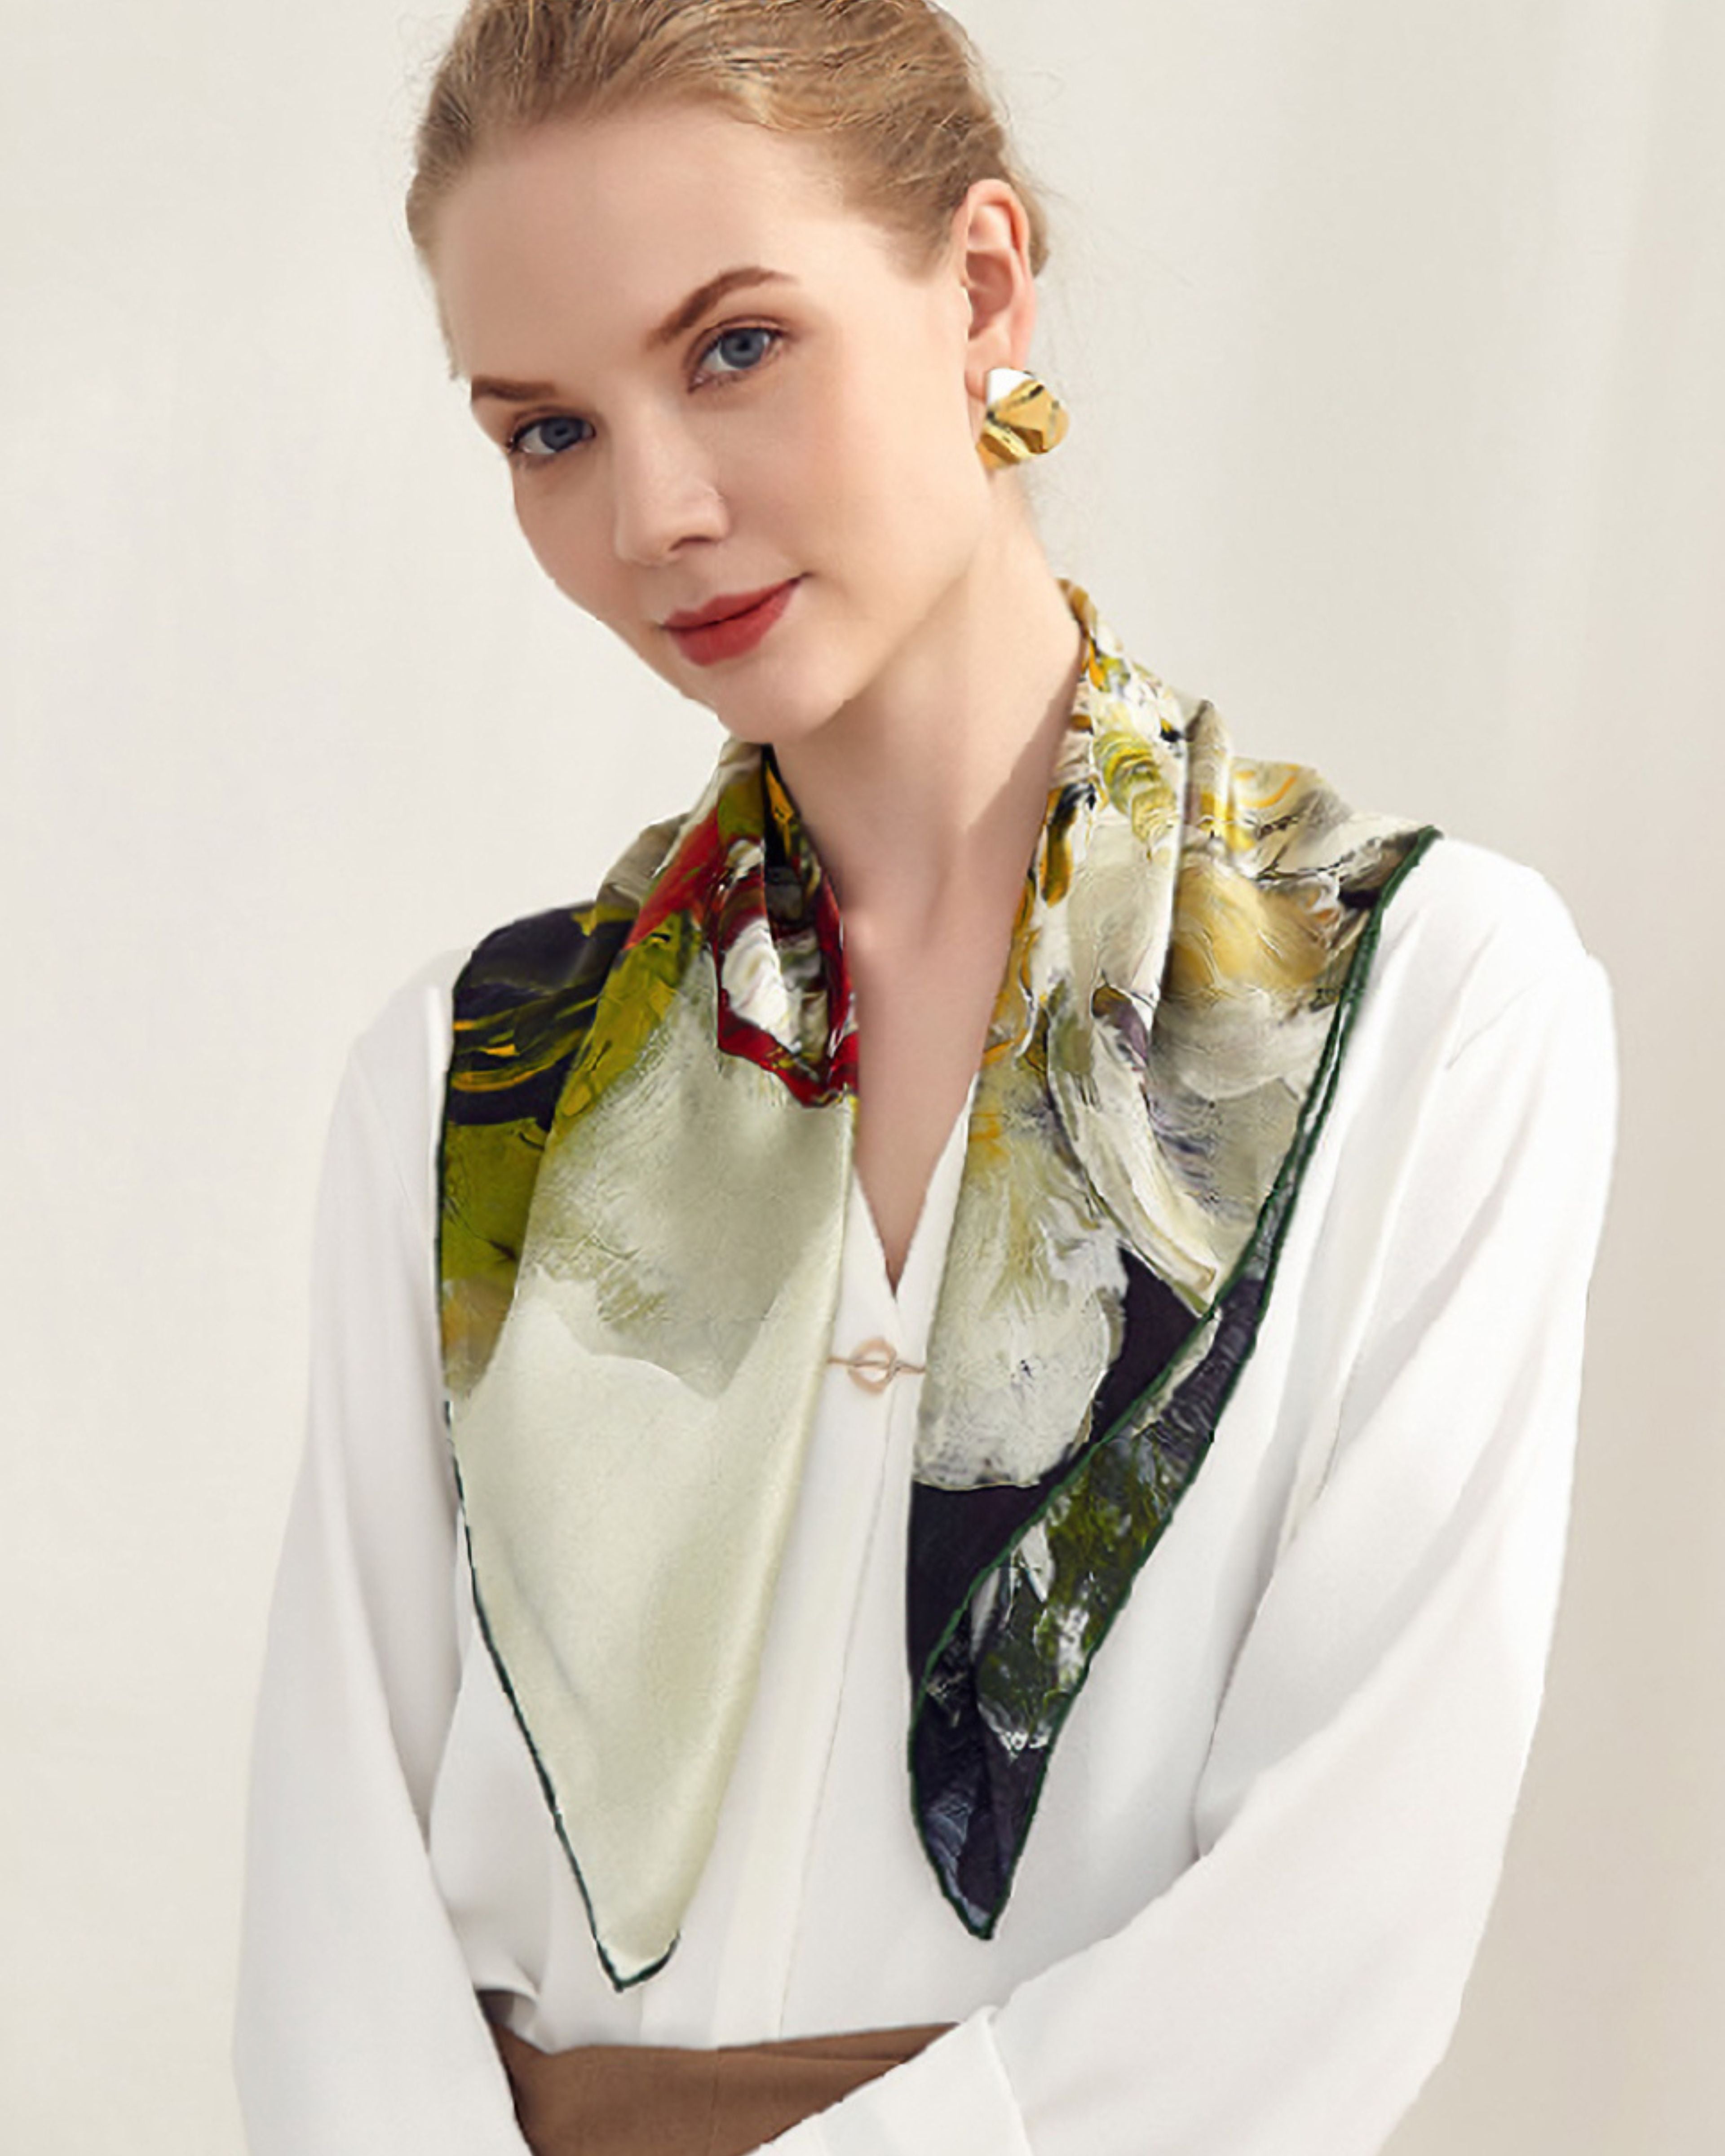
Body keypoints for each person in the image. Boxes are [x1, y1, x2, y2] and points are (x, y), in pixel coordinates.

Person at [232, 3, 1618, 2152]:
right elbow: (337, 1900)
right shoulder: (466, 1074)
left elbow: (1349, 1908)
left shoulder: (1428, 1006)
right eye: (548, 431)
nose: (655, 513)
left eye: (734, 348)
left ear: (980, 287)